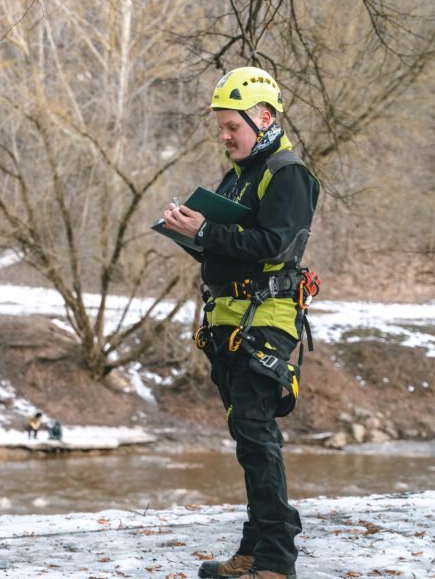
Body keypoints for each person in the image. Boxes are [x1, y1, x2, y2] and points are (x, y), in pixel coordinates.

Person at [161, 66, 319, 579]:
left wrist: (209, 230)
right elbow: (229, 254)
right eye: (222, 127)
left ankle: (276, 560)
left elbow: (275, 244)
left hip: (267, 321)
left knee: (257, 436)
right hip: (227, 322)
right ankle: (254, 549)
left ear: (265, 118)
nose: (225, 136)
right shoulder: (238, 176)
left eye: (232, 126)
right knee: (247, 439)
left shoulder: (287, 172)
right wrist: (193, 234)